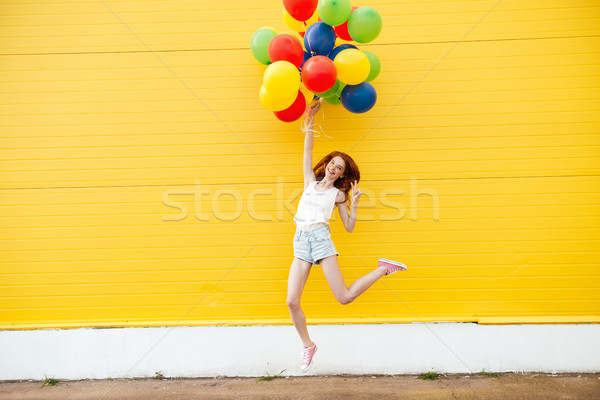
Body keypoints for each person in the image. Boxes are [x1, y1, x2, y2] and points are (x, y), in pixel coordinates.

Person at [287, 99, 408, 372]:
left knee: (344, 297)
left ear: (342, 174)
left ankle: (382, 270)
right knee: (292, 300)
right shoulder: (310, 181)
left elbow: (350, 227)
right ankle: (308, 345)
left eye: (340, 167)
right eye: (333, 162)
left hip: (320, 239)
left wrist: (356, 201)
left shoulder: (338, 195)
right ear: (327, 163)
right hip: (300, 240)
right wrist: (311, 117)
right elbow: (308, 148)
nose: (334, 168)